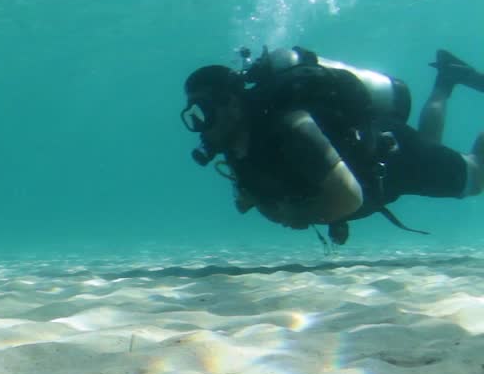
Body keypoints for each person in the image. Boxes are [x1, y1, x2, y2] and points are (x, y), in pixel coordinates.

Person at [180, 46, 484, 244]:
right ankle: (446, 80)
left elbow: (348, 197)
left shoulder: (290, 127)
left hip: (398, 160)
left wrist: (301, 216)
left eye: (204, 113)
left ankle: (447, 81)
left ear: (231, 103)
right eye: (193, 116)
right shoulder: (237, 147)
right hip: (385, 170)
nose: (200, 126)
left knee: (476, 176)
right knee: (432, 144)